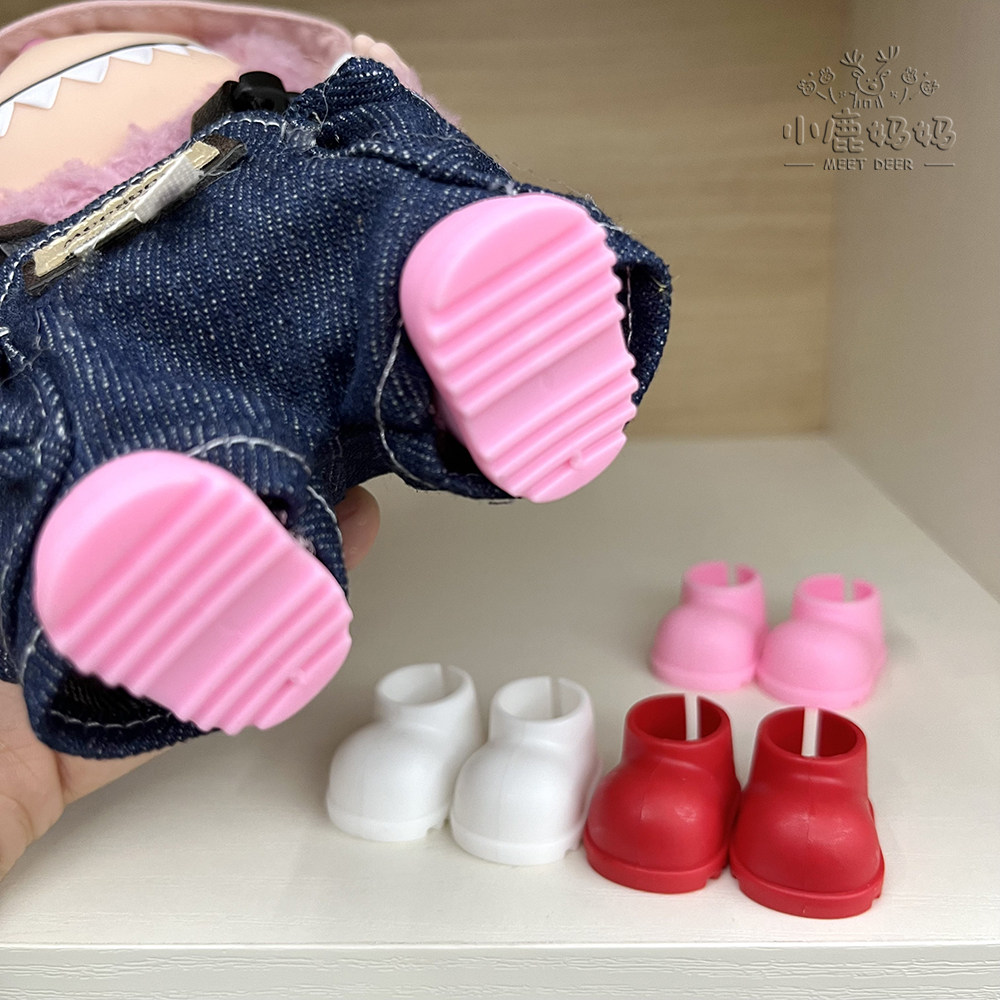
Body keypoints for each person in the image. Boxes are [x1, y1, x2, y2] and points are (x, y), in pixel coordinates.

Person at [0, 2, 671, 877]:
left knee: (97, 446)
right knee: (377, 211)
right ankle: (439, 285)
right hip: (206, 225)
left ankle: (157, 514)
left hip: (121, 281)